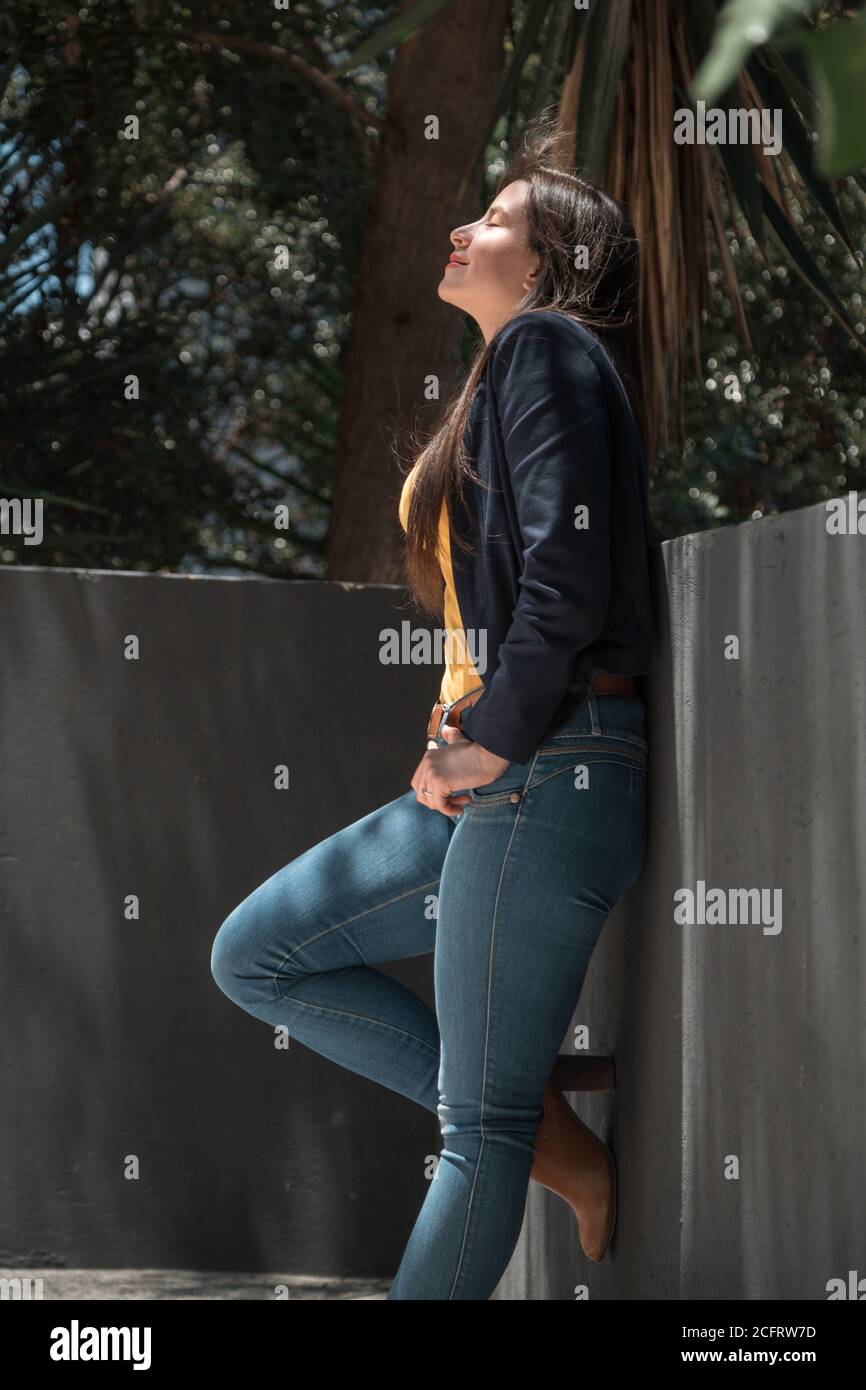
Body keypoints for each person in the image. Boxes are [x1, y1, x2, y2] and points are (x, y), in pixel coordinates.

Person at [211, 117, 654, 1300]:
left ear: (551, 263)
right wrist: (463, 741)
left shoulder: (544, 350)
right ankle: (551, 1136)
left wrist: (492, 742)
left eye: (496, 219)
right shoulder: (508, 368)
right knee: (259, 953)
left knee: (476, 1130)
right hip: (491, 768)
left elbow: (564, 584)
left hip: (545, 765)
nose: (462, 227)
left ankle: (527, 1128)